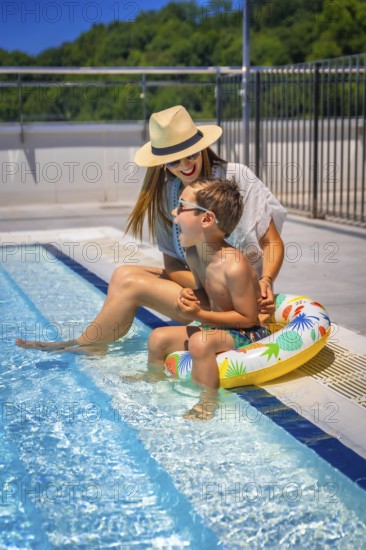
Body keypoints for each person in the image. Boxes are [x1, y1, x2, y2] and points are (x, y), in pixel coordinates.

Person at [16, 105, 286, 354]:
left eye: (190, 154)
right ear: (163, 163)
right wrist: (200, 284)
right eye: (173, 161)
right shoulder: (168, 193)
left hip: (236, 298)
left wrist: (266, 282)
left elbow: (272, 242)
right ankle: (91, 343)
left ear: (201, 146)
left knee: (132, 285)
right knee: (123, 275)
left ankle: (85, 346)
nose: (185, 166)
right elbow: (171, 260)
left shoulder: (235, 177)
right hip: (201, 288)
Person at [147, 177, 271, 419]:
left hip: (248, 332)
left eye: (182, 206)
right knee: (157, 337)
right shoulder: (194, 254)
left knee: (200, 343)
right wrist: (192, 296)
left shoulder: (234, 266)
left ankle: (208, 401)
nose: (174, 211)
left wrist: (200, 315)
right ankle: (154, 387)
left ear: (206, 219)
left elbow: (248, 318)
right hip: (215, 326)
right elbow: (206, 293)